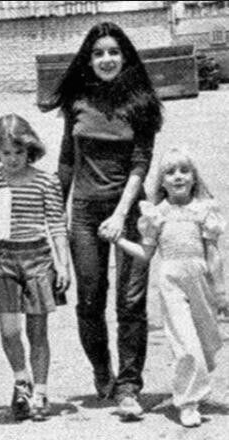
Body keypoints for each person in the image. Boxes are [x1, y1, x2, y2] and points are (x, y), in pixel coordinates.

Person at [41, 22, 163, 420]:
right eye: (98, 53)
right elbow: (66, 161)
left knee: (131, 303)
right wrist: (53, 216)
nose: (106, 59)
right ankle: (102, 372)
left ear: (125, 57)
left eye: (113, 52)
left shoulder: (142, 103)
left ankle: (129, 386)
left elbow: (141, 163)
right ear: (88, 59)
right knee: (90, 300)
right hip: (85, 214)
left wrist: (121, 213)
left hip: (130, 212)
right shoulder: (76, 101)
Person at [104, 147, 228, 427]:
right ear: (161, 181)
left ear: (194, 177)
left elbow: (213, 254)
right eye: (170, 172)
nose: (178, 176)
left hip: (200, 282)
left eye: (184, 170)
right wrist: (118, 240)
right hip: (171, 283)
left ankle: (195, 382)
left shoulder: (204, 210)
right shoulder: (156, 214)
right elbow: (145, 254)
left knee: (205, 342)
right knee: (186, 344)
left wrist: (220, 291)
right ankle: (188, 403)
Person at [0, 114, 70, 421]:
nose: (13, 158)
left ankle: (40, 390)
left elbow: (57, 224)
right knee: (9, 330)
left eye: (19, 152)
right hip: (4, 258)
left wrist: (63, 264)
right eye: (6, 153)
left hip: (38, 259)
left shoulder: (46, 181)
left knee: (37, 331)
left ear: (30, 149)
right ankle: (21, 380)